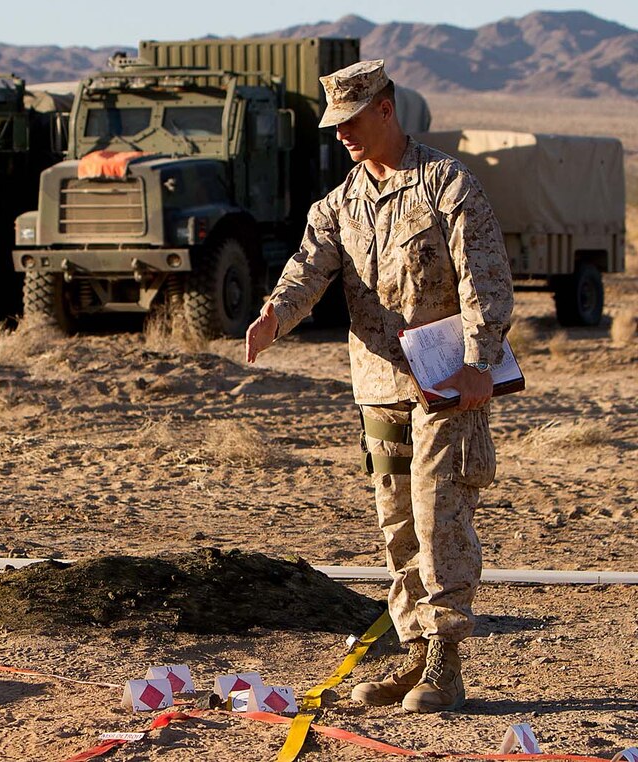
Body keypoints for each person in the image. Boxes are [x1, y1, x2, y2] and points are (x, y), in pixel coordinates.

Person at [244, 60, 513, 713]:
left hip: (445, 384)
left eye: (352, 121)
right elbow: (308, 267)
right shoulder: (341, 203)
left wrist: (479, 363)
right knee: (396, 521)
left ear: (386, 111)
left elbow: (488, 284)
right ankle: (415, 657)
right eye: (335, 125)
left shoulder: (448, 186)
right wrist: (277, 314)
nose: (342, 135)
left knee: (437, 514)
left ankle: (445, 666)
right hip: (378, 387)